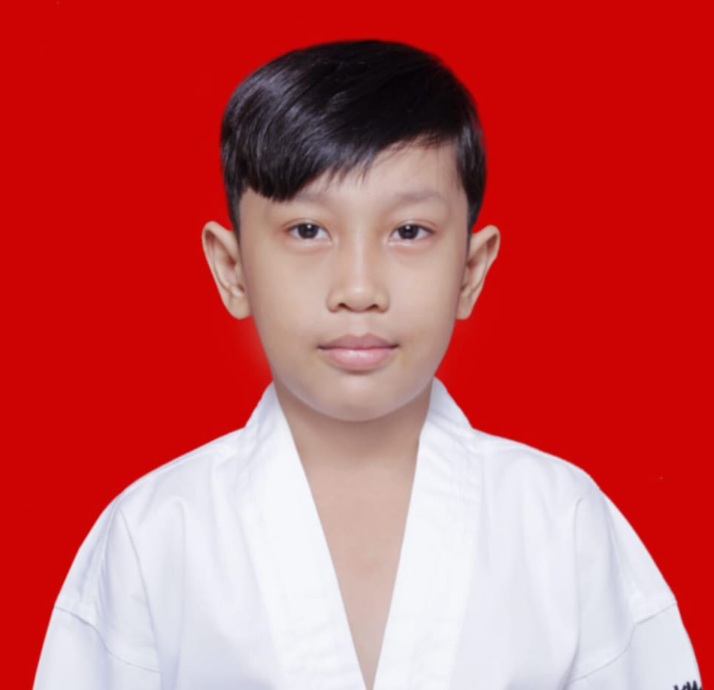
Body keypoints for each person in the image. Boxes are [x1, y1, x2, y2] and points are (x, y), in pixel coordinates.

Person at [33, 40, 701, 690]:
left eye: (409, 232)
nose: (358, 288)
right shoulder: (153, 535)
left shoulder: (561, 523)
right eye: (307, 230)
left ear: (471, 270)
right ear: (232, 269)